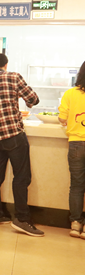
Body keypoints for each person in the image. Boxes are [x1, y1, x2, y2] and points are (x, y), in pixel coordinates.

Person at [0, 53, 43, 237]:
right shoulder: (13, 77)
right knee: (21, 177)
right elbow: (33, 99)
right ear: (5, 65)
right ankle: (22, 219)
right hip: (13, 134)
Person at [58, 62, 84, 239]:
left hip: (76, 143)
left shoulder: (70, 93)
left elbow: (62, 118)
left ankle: (75, 224)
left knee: (76, 185)